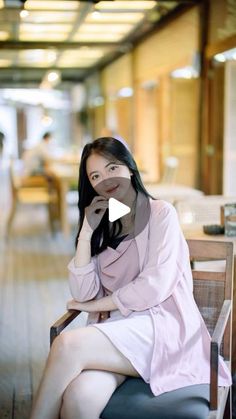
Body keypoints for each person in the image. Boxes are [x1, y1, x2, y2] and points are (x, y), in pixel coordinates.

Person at [30, 136, 231, 419]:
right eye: (96, 176)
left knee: (66, 344)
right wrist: (87, 233)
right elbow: (84, 291)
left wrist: (94, 307)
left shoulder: (162, 214)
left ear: (129, 168)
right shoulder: (104, 222)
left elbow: (154, 287)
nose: (106, 180)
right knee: (79, 398)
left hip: (161, 328)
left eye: (112, 168)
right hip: (119, 332)